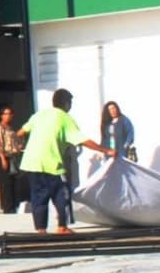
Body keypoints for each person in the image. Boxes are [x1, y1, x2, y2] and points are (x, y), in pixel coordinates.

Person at [17, 89, 115, 234]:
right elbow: (81, 140)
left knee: (38, 196)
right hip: (51, 163)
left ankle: (41, 230)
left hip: (31, 163)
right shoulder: (65, 118)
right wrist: (106, 150)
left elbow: (21, 132)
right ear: (66, 103)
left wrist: (21, 145)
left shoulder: (40, 114)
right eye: (70, 103)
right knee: (61, 195)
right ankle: (62, 226)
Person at [0, 106, 24, 214]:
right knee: (6, 183)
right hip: (5, 156)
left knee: (15, 182)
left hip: (14, 156)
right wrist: (2, 159)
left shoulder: (10, 128)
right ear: (2, 115)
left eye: (11, 113)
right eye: (7, 113)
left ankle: (15, 205)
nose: (9, 116)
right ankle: (8, 208)